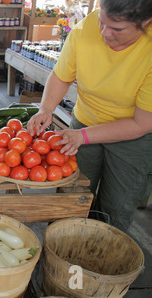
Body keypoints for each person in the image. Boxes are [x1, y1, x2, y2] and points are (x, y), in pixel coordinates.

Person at [26, 0, 152, 232]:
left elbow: (142, 122)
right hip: (84, 122)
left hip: (133, 138)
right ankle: (62, 251)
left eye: (117, 28)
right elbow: (62, 75)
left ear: (145, 22)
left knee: (116, 207)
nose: (104, 33)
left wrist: (82, 136)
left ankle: (101, 259)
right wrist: (46, 109)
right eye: (102, 22)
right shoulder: (86, 29)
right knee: (72, 197)